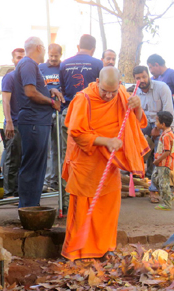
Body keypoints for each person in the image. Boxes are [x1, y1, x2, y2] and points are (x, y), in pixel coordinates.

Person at [61, 67, 148, 261]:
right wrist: (106, 141)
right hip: (86, 161)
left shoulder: (123, 94)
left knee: (108, 208)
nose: (109, 96)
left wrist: (137, 106)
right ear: (97, 82)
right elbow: (76, 132)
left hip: (110, 162)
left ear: (119, 85)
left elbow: (138, 121)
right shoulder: (84, 98)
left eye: (113, 91)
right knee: (83, 209)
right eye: (104, 91)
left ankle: (105, 248)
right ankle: (78, 253)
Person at [14, 37, 63, 208]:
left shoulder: (29, 65)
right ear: (40, 48)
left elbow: (35, 89)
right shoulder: (28, 64)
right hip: (34, 121)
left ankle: (31, 205)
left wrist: (50, 90)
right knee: (33, 167)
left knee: (37, 167)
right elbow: (30, 92)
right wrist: (51, 103)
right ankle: (28, 207)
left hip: (37, 121)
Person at [59, 35, 103, 212]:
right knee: (92, 156)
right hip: (90, 115)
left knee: (68, 157)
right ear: (93, 48)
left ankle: (68, 203)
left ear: (78, 46)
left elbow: (63, 89)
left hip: (69, 113)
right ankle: (89, 203)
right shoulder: (97, 64)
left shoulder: (64, 64)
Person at [132, 65, 174, 200]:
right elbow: (136, 117)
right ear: (135, 79)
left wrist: (159, 129)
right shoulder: (135, 92)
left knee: (162, 158)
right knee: (139, 153)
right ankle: (147, 183)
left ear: (148, 75)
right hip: (145, 125)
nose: (142, 80)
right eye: (138, 78)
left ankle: (157, 190)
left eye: (144, 76)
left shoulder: (162, 87)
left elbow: (168, 112)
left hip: (164, 124)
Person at [2, 47, 25, 198]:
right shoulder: (9, 78)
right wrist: (9, 122)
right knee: (12, 159)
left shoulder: (28, 78)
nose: (21, 60)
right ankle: (9, 193)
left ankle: (18, 192)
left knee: (23, 159)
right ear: (13, 60)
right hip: (13, 124)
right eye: (18, 57)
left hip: (25, 125)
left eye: (23, 58)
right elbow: (5, 100)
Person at [39, 43, 63, 193]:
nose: (53, 59)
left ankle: (55, 179)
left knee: (58, 147)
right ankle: (47, 179)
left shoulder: (63, 67)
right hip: (45, 110)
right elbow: (39, 87)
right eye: (51, 55)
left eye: (56, 56)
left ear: (61, 55)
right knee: (46, 147)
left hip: (59, 110)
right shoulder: (41, 68)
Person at [152, 111, 174, 211]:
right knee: (155, 179)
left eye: (157, 121)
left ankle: (167, 204)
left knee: (163, 183)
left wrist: (158, 160)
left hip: (164, 163)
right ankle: (169, 195)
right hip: (161, 163)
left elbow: (167, 152)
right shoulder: (165, 134)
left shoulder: (167, 136)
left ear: (163, 124)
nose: (155, 123)